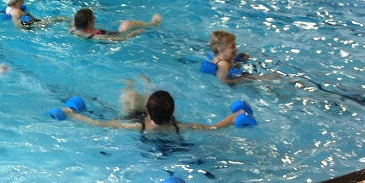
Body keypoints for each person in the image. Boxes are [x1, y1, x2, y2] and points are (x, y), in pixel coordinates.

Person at [57, 79, 250, 132]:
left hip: (134, 116)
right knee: (132, 99)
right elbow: (213, 127)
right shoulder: (178, 127)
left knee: (129, 102)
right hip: (152, 116)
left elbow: (99, 124)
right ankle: (140, 87)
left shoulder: (136, 126)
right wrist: (234, 117)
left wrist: (71, 113)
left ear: (148, 112)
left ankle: (134, 87)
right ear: (173, 112)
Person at [70, 7, 161, 41]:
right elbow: (120, 39)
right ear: (89, 22)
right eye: (93, 18)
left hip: (106, 31)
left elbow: (73, 21)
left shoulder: (74, 29)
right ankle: (152, 24)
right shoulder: (96, 36)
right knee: (127, 23)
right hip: (118, 33)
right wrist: (135, 33)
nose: (95, 19)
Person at [2, 0, 67, 29]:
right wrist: (25, 30)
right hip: (34, 25)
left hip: (31, 21)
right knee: (58, 19)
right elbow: (18, 25)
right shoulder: (16, 12)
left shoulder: (9, 8)